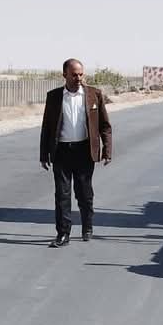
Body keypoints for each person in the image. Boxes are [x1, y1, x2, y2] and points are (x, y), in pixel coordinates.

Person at [39, 58, 112, 246]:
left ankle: (87, 226)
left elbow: (105, 125)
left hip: (84, 151)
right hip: (61, 151)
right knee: (62, 194)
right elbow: (47, 127)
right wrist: (43, 153)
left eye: (81, 74)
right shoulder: (54, 97)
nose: (78, 78)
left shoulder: (94, 95)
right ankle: (63, 233)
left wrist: (107, 150)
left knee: (84, 194)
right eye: (74, 74)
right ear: (64, 75)